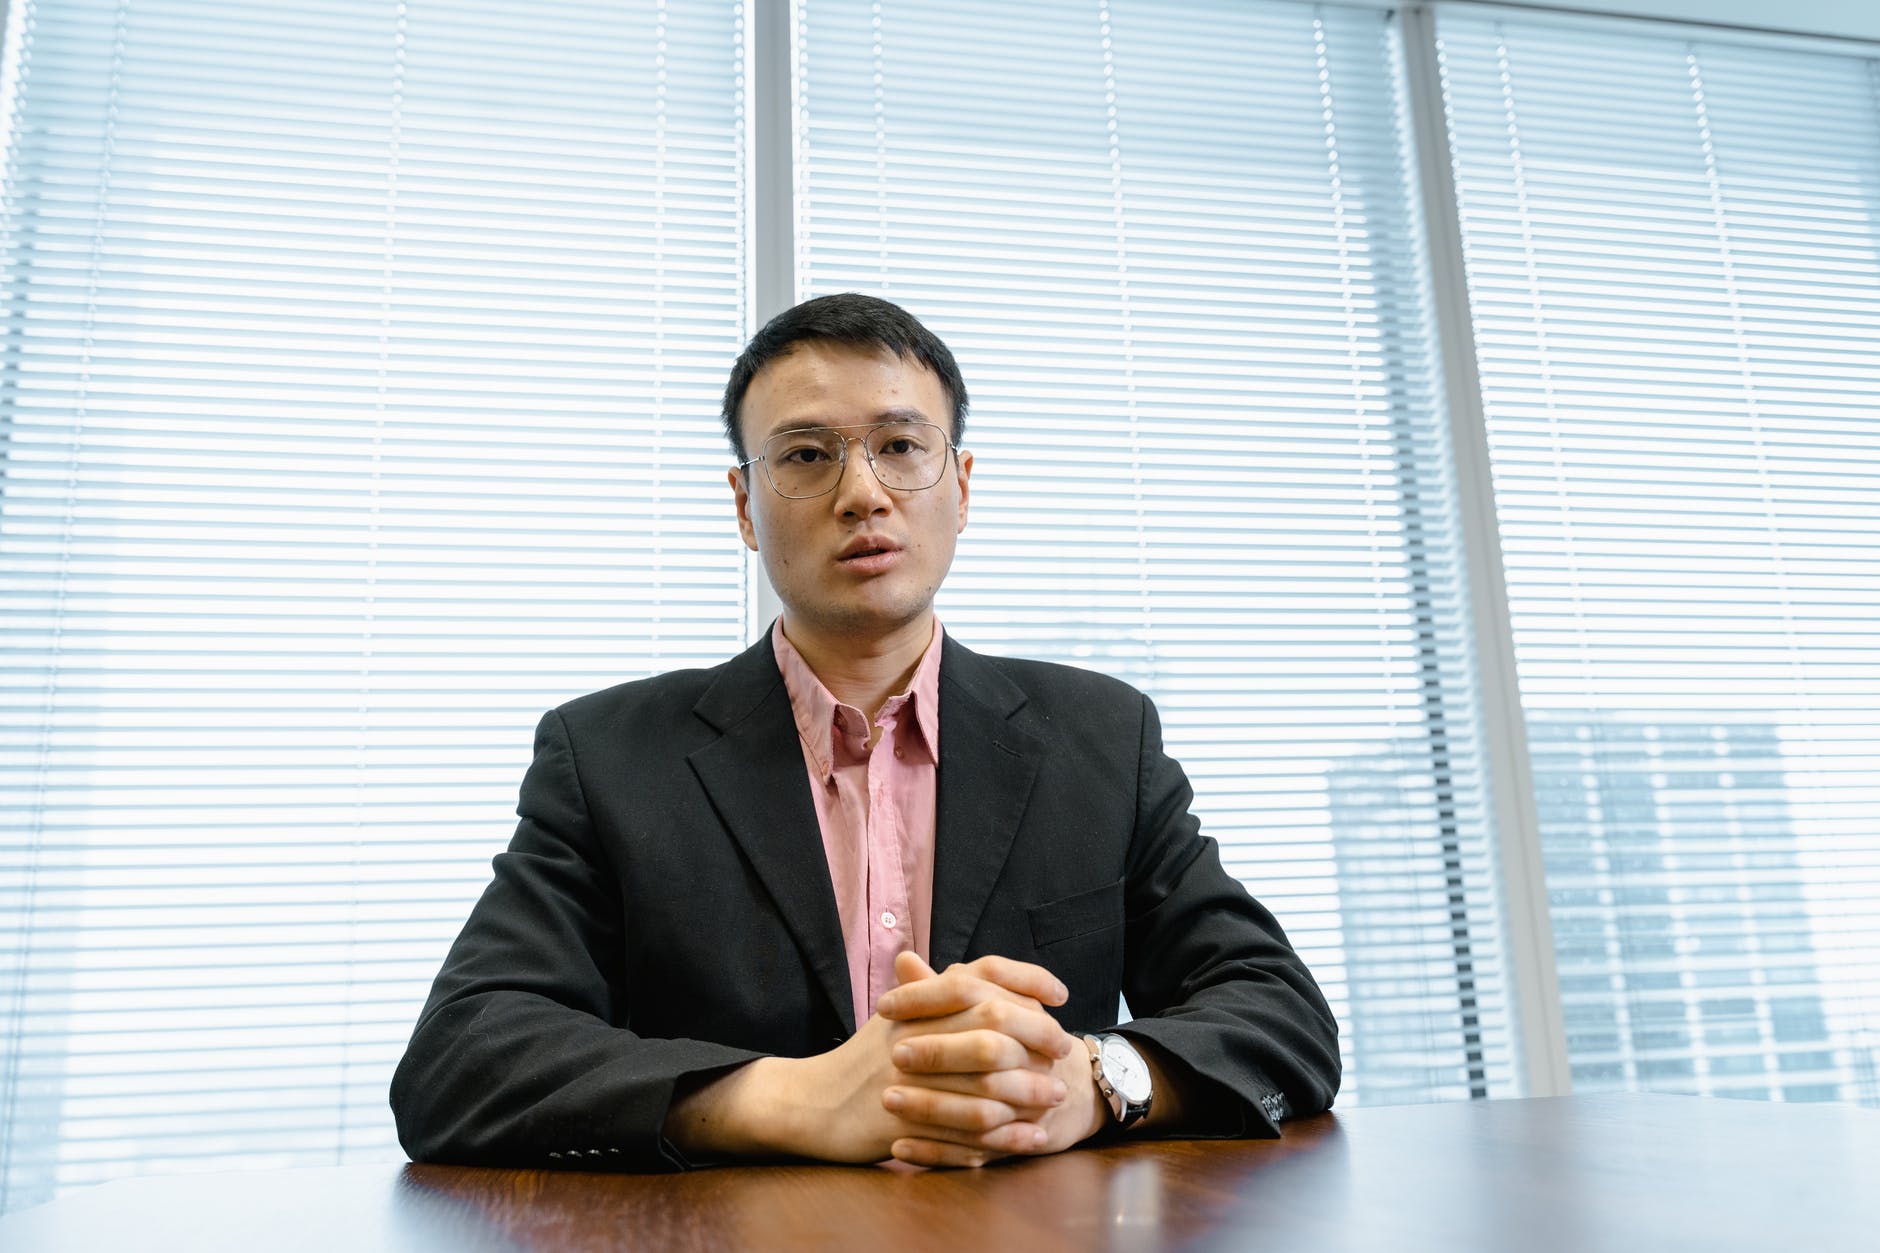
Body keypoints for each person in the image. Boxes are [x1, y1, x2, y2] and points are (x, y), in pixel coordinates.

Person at [390, 294, 1340, 1171]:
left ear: (960, 485)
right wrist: (789, 1096)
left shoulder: (1101, 736)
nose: (862, 493)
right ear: (743, 507)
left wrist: (1091, 1084)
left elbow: (1281, 1014)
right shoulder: (606, 756)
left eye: (899, 446)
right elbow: (461, 1059)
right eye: (807, 454)